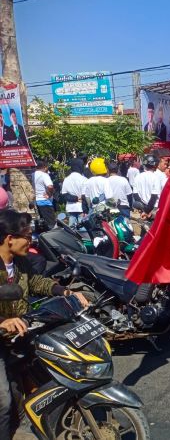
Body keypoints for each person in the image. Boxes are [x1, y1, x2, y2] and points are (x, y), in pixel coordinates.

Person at [0, 210, 89, 438]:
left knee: (48, 380)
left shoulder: (20, 262)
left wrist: (66, 291)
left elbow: (36, 282)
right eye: (27, 236)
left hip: (21, 334)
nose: (31, 241)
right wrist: (4, 321)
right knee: (3, 402)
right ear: (10, 238)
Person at [60, 158, 88, 226]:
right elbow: (84, 196)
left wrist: (75, 198)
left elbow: (64, 195)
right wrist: (85, 210)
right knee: (83, 231)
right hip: (81, 208)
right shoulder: (84, 179)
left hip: (70, 208)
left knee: (72, 231)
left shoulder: (66, 179)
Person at [132, 154, 161, 219]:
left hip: (142, 208)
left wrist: (143, 209)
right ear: (155, 165)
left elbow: (135, 194)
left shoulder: (138, 177)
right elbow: (154, 196)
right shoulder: (155, 178)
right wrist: (147, 211)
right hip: (153, 209)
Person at [33, 160, 55, 228]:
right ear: (45, 167)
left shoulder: (33, 174)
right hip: (45, 201)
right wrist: (50, 194)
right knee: (51, 223)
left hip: (37, 200)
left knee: (42, 222)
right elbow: (50, 186)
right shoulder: (44, 175)